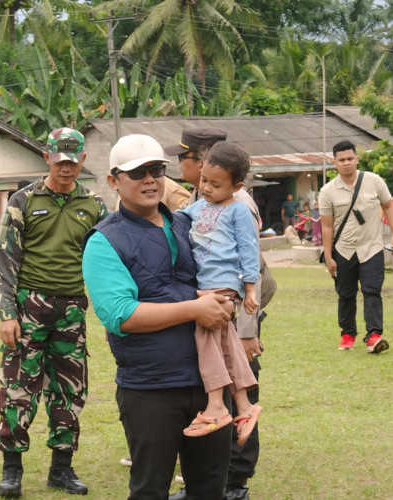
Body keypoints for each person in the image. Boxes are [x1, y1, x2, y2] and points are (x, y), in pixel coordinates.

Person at [82, 134, 234, 499]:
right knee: (151, 489)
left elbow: (221, 271)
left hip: (207, 382)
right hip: (150, 388)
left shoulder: (187, 224)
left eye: (156, 169)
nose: (149, 179)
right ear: (113, 180)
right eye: (137, 172)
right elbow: (121, 315)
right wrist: (196, 309)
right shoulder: (103, 241)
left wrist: (225, 301)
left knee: (211, 489)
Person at [0, 127, 108, 497]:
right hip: (30, 308)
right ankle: (12, 469)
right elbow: (6, 260)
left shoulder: (94, 206)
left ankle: (62, 467)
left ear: (83, 162)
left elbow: (107, 262)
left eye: (73, 162)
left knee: (70, 390)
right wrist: (7, 314)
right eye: (59, 161)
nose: (66, 168)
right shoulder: (23, 201)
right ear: (47, 158)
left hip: (72, 309)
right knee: (19, 388)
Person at [167, 127, 273, 500]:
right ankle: (217, 472)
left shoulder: (238, 204)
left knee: (234, 372)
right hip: (214, 295)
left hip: (234, 305)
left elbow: (253, 265)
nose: (180, 163)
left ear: (203, 158)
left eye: (185, 157)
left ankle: (236, 480)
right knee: (230, 381)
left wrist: (246, 327)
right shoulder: (200, 198)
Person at [178, 142, 261, 445]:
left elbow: (249, 249)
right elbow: (176, 225)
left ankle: (215, 405)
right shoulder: (195, 208)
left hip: (224, 283)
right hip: (203, 283)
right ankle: (244, 405)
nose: (207, 188)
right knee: (225, 340)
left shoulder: (238, 210)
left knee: (205, 333)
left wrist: (250, 289)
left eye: (216, 184)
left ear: (236, 186)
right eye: (204, 181)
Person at [319, 140, 393, 353]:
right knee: (346, 294)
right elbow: (326, 226)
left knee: (372, 291)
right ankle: (348, 334)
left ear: (357, 159)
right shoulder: (327, 191)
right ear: (335, 162)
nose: (346, 163)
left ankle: (374, 335)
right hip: (343, 250)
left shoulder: (374, 181)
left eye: (350, 158)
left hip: (372, 247)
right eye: (341, 160)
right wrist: (329, 256)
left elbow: (388, 205)